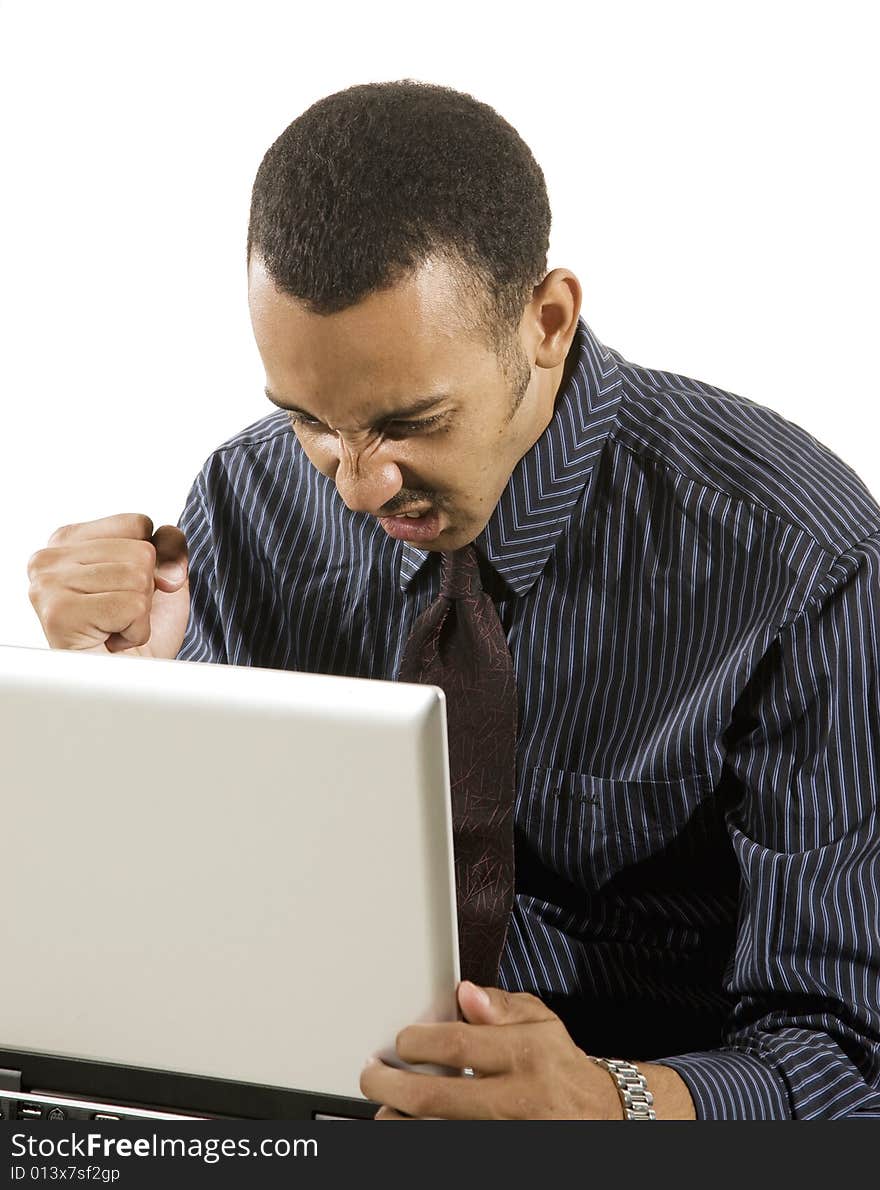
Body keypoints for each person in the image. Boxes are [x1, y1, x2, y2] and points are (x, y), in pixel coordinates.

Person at [26, 81, 880, 1120]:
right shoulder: (249, 499)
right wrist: (128, 709)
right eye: (310, 419)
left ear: (547, 321)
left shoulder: (798, 556)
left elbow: (847, 1052)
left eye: (410, 420)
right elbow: (224, 921)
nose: (355, 482)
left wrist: (618, 1106)